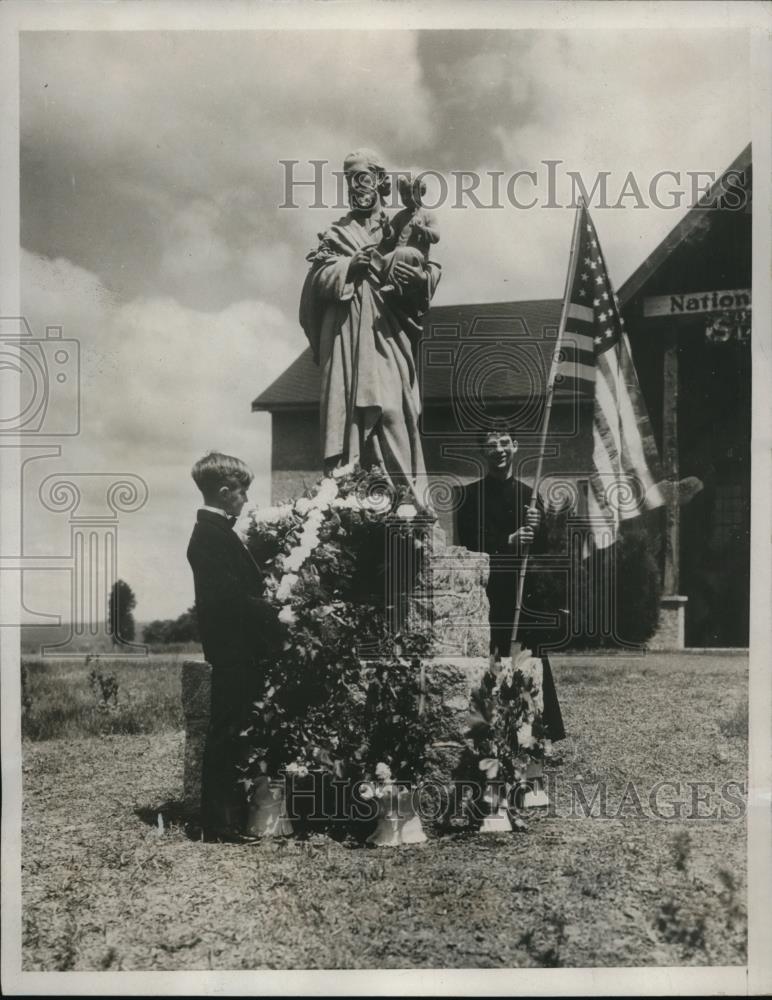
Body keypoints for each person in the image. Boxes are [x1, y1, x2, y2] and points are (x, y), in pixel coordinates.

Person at [299, 148, 441, 490]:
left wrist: (421, 280)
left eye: (362, 177)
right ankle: (348, 499)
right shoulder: (337, 233)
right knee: (346, 415)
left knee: (392, 410)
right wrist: (350, 265)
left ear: (379, 180)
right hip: (345, 334)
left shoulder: (402, 223)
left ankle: (409, 504)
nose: (356, 186)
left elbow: (427, 267)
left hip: (387, 330)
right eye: (349, 179)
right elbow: (314, 286)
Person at [186, 451, 284, 841]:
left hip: (238, 648)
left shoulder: (218, 532)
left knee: (232, 729)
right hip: (231, 650)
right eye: (242, 492)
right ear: (225, 492)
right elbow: (230, 599)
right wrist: (275, 610)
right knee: (226, 731)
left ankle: (227, 817)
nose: (245, 500)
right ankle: (218, 823)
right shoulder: (209, 536)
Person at [456, 427, 566, 747]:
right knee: (494, 661)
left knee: (528, 663)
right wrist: (509, 540)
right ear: (483, 452)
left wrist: (537, 527)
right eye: (491, 445)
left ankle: (533, 734)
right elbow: (470, 542)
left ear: (515, 446)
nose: (499, 450)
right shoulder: (470, 496)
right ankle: (490, 735)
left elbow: (543, 547)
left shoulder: (530, 496)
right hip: (490, 593)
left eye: (505, 443)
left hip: (522, 591)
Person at [372, 173, 440, 296]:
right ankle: (389, 283)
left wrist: (422, 230)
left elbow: (436, 236)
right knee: (384, 259)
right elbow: (390, 239)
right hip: (398, 255)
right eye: (402, 194)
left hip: (416, 257)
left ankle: (394, 285)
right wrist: (387, 229)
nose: (406, 197)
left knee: (401, 253)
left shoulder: (427, 214)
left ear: (420, 192)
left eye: (409, 193)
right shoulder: (400, 216)